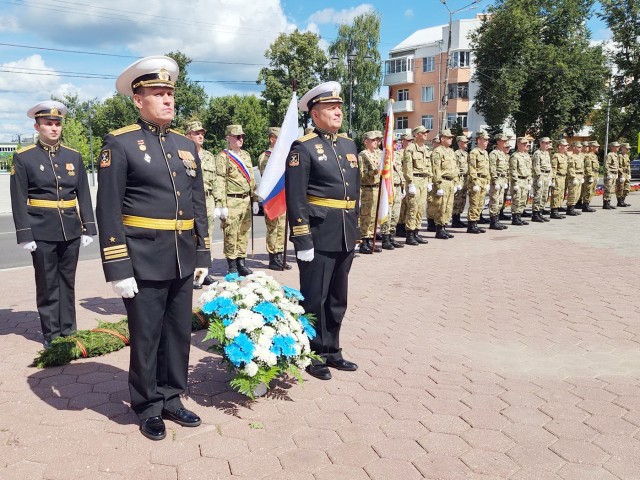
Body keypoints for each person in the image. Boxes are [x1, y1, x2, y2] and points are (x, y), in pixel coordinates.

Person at [96, 56, 209, 441]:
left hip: (181, 252)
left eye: (170, 93)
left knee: (178, 331)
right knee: (147, 334)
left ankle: (172, 396)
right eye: (158, 93)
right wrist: (117, 266)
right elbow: (108, 209)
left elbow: (198, 203)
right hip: (142, 256)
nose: (167, 100)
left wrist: (204, 253)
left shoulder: (185, 146)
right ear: (137, 99)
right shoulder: (120, 143)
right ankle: (147, 405)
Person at [285, 81, 359, 381]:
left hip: (344, 233)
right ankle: (312, 353)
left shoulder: (349, 144)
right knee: (314, 298)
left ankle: (332, 349)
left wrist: (359, 229)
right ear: (315, 115)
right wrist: (302, 238)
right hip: (317, 234)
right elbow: (296, 197)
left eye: (339, 107)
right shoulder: (303, 148)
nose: (338, 111)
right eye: (331, 108)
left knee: (338, 298)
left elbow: (355, 193)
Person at [10, 101, 96, 349]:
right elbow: (18, 198)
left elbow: (84, 194)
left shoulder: (73, 156)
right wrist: (25, 233)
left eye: (57, 123)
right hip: (41, 229)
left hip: (70, 227)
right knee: (47, 283)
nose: (54, 128)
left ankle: (69, 329)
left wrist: (88, 226)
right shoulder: (24, 157)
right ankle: (51, 333)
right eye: (48, 123)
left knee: (67, 281)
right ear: (37, 126)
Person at [214, 125, 259, 275]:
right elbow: (220, 180)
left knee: (243, 233)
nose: (241, 139)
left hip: (246, 200)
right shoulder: (222, 157)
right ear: (228, 138)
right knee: (231, 233)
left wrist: (255, 200)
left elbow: (252, 179)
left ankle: (241, 263)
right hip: (231, 200)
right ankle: (232, 265)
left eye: (242, 136)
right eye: (237, 136)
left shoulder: (245, 155)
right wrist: (221, 204)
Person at [186, 120, 217, 287]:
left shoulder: (210, 156)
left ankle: (203, 273)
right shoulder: (184, 155)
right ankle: (190, 274)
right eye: (197, 133)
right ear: (188, 135)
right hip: (191, 201)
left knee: (207, 237)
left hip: (208, 201)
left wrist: (219, 203)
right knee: (192, 238)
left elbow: (217, 180)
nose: (200, 136)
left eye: (202, 133)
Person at [257, 127, 291, 270]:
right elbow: (269, 176)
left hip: (282, 197)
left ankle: (279, 254)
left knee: (282, 227)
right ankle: (273, 257)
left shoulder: (284, 156)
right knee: (273, 228)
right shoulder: (266, 157)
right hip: (272, 197)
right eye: (279, 138)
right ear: (272, 139)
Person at [402, 125, 431, 245]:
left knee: (421, 208)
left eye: (426, 133)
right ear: (416, 134)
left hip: (424, 181)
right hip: (414, 180)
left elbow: (429, 166)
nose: (425, 134)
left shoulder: (425, 148)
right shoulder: (410, 148)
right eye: (423, 133)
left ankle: (416, 233)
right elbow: (407, 167)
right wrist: (410, 183)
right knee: (413, 208)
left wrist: (430, 181)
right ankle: (409, 234)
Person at [429, 129, 458, 239]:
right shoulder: (437, 151)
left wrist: (455, 182)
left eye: (451, 138)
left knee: (448, 207)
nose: (451, 139)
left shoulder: (451, 151)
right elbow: (436, 170)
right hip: (443, 182)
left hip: (450, 182)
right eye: (448, 137)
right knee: (441, 206)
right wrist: (438, 185)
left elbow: (455, 168)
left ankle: (444, 227)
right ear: (442, 139)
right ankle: (439, 229)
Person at [358, 131, 383, 254]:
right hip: (367, 189)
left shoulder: (378, 154)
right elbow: (361, 175)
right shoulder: (363, 155)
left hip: (377, 187)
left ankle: (371, 241)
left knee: (373, 216)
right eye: (373, 140)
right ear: (366, 141)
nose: (376, 142)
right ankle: (364, 242)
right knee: (366, 216)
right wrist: (374, 172)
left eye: (377, 140)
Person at [379, 134, 406, 250]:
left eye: (396, 142)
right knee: (388, 213)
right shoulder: (383, 155)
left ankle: (391, 236)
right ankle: (385, 238)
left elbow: (400, 171)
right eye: (394, 142)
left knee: (395, 214)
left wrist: (403, 185)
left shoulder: (398, 155)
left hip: (397, 187)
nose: (396, 144)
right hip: (388, 187)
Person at [467, 131, 491, 234]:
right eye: (485, 140)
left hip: (484, 180)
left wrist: (488, 181)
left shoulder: (485, 153)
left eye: (487, 140)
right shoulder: (474, 152)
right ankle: (471, 225)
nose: (487, 142)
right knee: (474, 203)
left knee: (481, 203)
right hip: (476, 180)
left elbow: (487, 168)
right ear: (479, 140)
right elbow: (472, 168)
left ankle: (475, 223)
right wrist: (475, 183)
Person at [488, 133, 510, 230]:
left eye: (506, 141)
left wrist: (505, 180)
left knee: (500, 201)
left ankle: (497, 220)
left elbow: (505, 168)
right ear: (498, 142)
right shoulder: (494, 153)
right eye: (504, 141)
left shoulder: (503, 154)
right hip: (496, 180)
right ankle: (493, 222)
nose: (506, 143)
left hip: (502, 179)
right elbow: (492, 168)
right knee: (495, 200)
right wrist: (495, 180)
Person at [394, 133, 413, 238]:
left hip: (408, 181)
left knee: (408, 205)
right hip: (401, 181)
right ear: (403, 141)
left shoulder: (411, 152)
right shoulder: (399, 153)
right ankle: (399, 227)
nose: (410, 142)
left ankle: (405, 225)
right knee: (401, 206)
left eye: (411, 140)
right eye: (408, 140)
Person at [510, 137, 533, 225]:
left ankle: (519, 216)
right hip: (518, 180)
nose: (525, 145)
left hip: (525, 180)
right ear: (518, 144)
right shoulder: (515, 156)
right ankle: (515, 218)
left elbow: (529, 168)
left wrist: (529, 180)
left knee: (523, 199)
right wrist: (515, 182)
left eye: (526, 144)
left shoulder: (526, 156)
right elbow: (513, 170)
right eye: (523, 144)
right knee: (517, 199)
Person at [531, 137, 552, 222]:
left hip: (546, 175)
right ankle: (535, 214)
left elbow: (549, 166)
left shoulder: (546, 153)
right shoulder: (537, 153)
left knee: (544, 195)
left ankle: (540, 212)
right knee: (538, 195)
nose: (547, 145)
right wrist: (539, 178)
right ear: (541, 143)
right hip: (540, 176)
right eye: (546, 143)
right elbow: (536, 166)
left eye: (548, 143)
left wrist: (550, 177)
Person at [452, 135, 469, 228]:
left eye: (467, 142)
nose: (466, 144)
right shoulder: (456, 154)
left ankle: (458, 219)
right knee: (457, 200)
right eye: (464, 142)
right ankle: (455, 220)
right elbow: (455, 168)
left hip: (465, 178)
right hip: (459, 178)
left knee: (463, 200)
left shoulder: (466, 154)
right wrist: (456, 182)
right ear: (459, 142)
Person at [550, 139, 569, 219]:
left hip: (563, 177)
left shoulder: (565, 156)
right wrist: (553, 180)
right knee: (556, 194)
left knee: (561, 194)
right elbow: (554, 169)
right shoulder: (556, 156)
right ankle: (554, 211)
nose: (566, 147)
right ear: (559, 146)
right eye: (564, 146)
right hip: (558, 177)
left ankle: (557, 208)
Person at [580, 140, 599, 212]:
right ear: (592, 147)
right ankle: (585, 206)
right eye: (596, 147)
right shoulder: (588, 156)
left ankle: (587, 204)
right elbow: (588, 167)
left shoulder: (594, 156)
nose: (598, 148)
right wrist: (590, 176)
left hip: (595, 174)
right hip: (590, 175)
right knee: (588, 190)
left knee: (592, 190)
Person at [603, 141, 620, 210]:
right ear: (612, 147)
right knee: (608, 189)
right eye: (617, 146)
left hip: (614, 174)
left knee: (611, 189)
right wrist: (608, 174)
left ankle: (608, 202)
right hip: (610, 174)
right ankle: (605, 203)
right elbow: (606, 165)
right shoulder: (610, 155)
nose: (618, 147)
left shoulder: (616, 155)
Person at [616, 142, 631, 207]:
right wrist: (621, 174)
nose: (628, 150)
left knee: (627, 188)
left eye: (628, 149)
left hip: (626, 174)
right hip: (621, 174)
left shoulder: (627, 156)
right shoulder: (619, 156)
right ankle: (619, 202)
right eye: (627, 148)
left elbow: (628, 166)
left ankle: (623, 200)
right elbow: (617, 166)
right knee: (620, 188)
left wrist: (629, 174)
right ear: (622, 148)